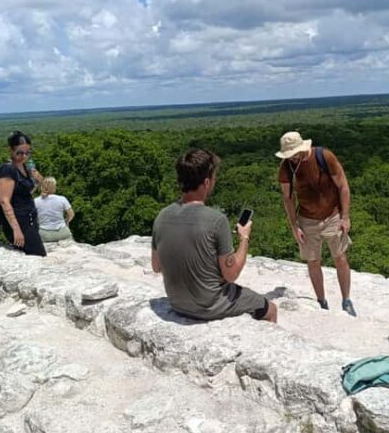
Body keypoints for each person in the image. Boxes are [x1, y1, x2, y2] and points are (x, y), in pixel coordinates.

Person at [151, 148, 278, 323]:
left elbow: (156, 266)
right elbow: (231, 274)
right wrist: (244, 238)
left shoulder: (162, 216)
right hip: (210, 306)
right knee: (270, 309)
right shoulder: (216, 220)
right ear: (206, 182)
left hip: (177, 303)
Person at [276, 131, 357, 316]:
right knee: (313, 262)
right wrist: (294, 226)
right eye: (289, 155)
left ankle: (346, 300)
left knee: (340, 258)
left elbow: (343, 185)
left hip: (332, 216)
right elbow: (288, 199)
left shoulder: (324, 157)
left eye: (295, 153)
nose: (293, 158)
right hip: (306, 219)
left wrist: (345, 216)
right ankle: (321, 302)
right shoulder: (286, 166)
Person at [0, 131, 46, 257]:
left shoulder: (25, 167)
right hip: (19, 222)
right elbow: (4, 200)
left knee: (34, 256)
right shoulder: (8, 170)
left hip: (30, 219)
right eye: (19, 153)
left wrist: (37, 179)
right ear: (10, 150)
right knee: (39, 256)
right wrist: (16, 229)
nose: (24, 156)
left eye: (27, 153)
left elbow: (27, 193)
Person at [35, 177, 75, 243]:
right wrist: (66, 221)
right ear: (53, 187)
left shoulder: (36, 201)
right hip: (62, 232)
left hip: (44, 234)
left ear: (42, 187)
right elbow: (71, 214)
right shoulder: (62, 199)